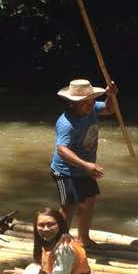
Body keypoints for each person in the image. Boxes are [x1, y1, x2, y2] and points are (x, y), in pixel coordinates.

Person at [50, 78, 118, 247]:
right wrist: (86, 165)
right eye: (86, 102)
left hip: (84, 168)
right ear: (74, 103)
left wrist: (110, 95)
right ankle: (59, 239)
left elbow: (110, 109)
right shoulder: (66, 123)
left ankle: (83, 238)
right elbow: (62, 149)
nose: (91, 103)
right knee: (70, 205)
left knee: (88, 201)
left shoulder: (91, 108)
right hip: (65, 170)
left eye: (91, 99)